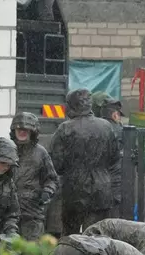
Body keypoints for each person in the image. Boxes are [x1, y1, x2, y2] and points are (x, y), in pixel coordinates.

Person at [47, 88, 121, 235]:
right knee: (96, 237)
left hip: (74, 192)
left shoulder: (65, 129)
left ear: (71, 105)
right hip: (101, 191)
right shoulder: (106, 127)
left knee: (70, 236)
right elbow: (114, 158)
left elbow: (57, 164)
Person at [6, 112, 58, 255]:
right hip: (9, 211)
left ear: (32, 131)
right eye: (19, 129)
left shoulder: (40, 153)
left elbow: (52, 178)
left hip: (32, 211)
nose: (22, 133)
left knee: (34, 254)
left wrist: (47, 192)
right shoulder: (7, 150)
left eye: (25, 130)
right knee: (11, 252)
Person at [91, 92, 124, 218]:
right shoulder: (119, 131)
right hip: (114, 188)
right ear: (115, 114)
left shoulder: (92, 128)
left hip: (96, 187)